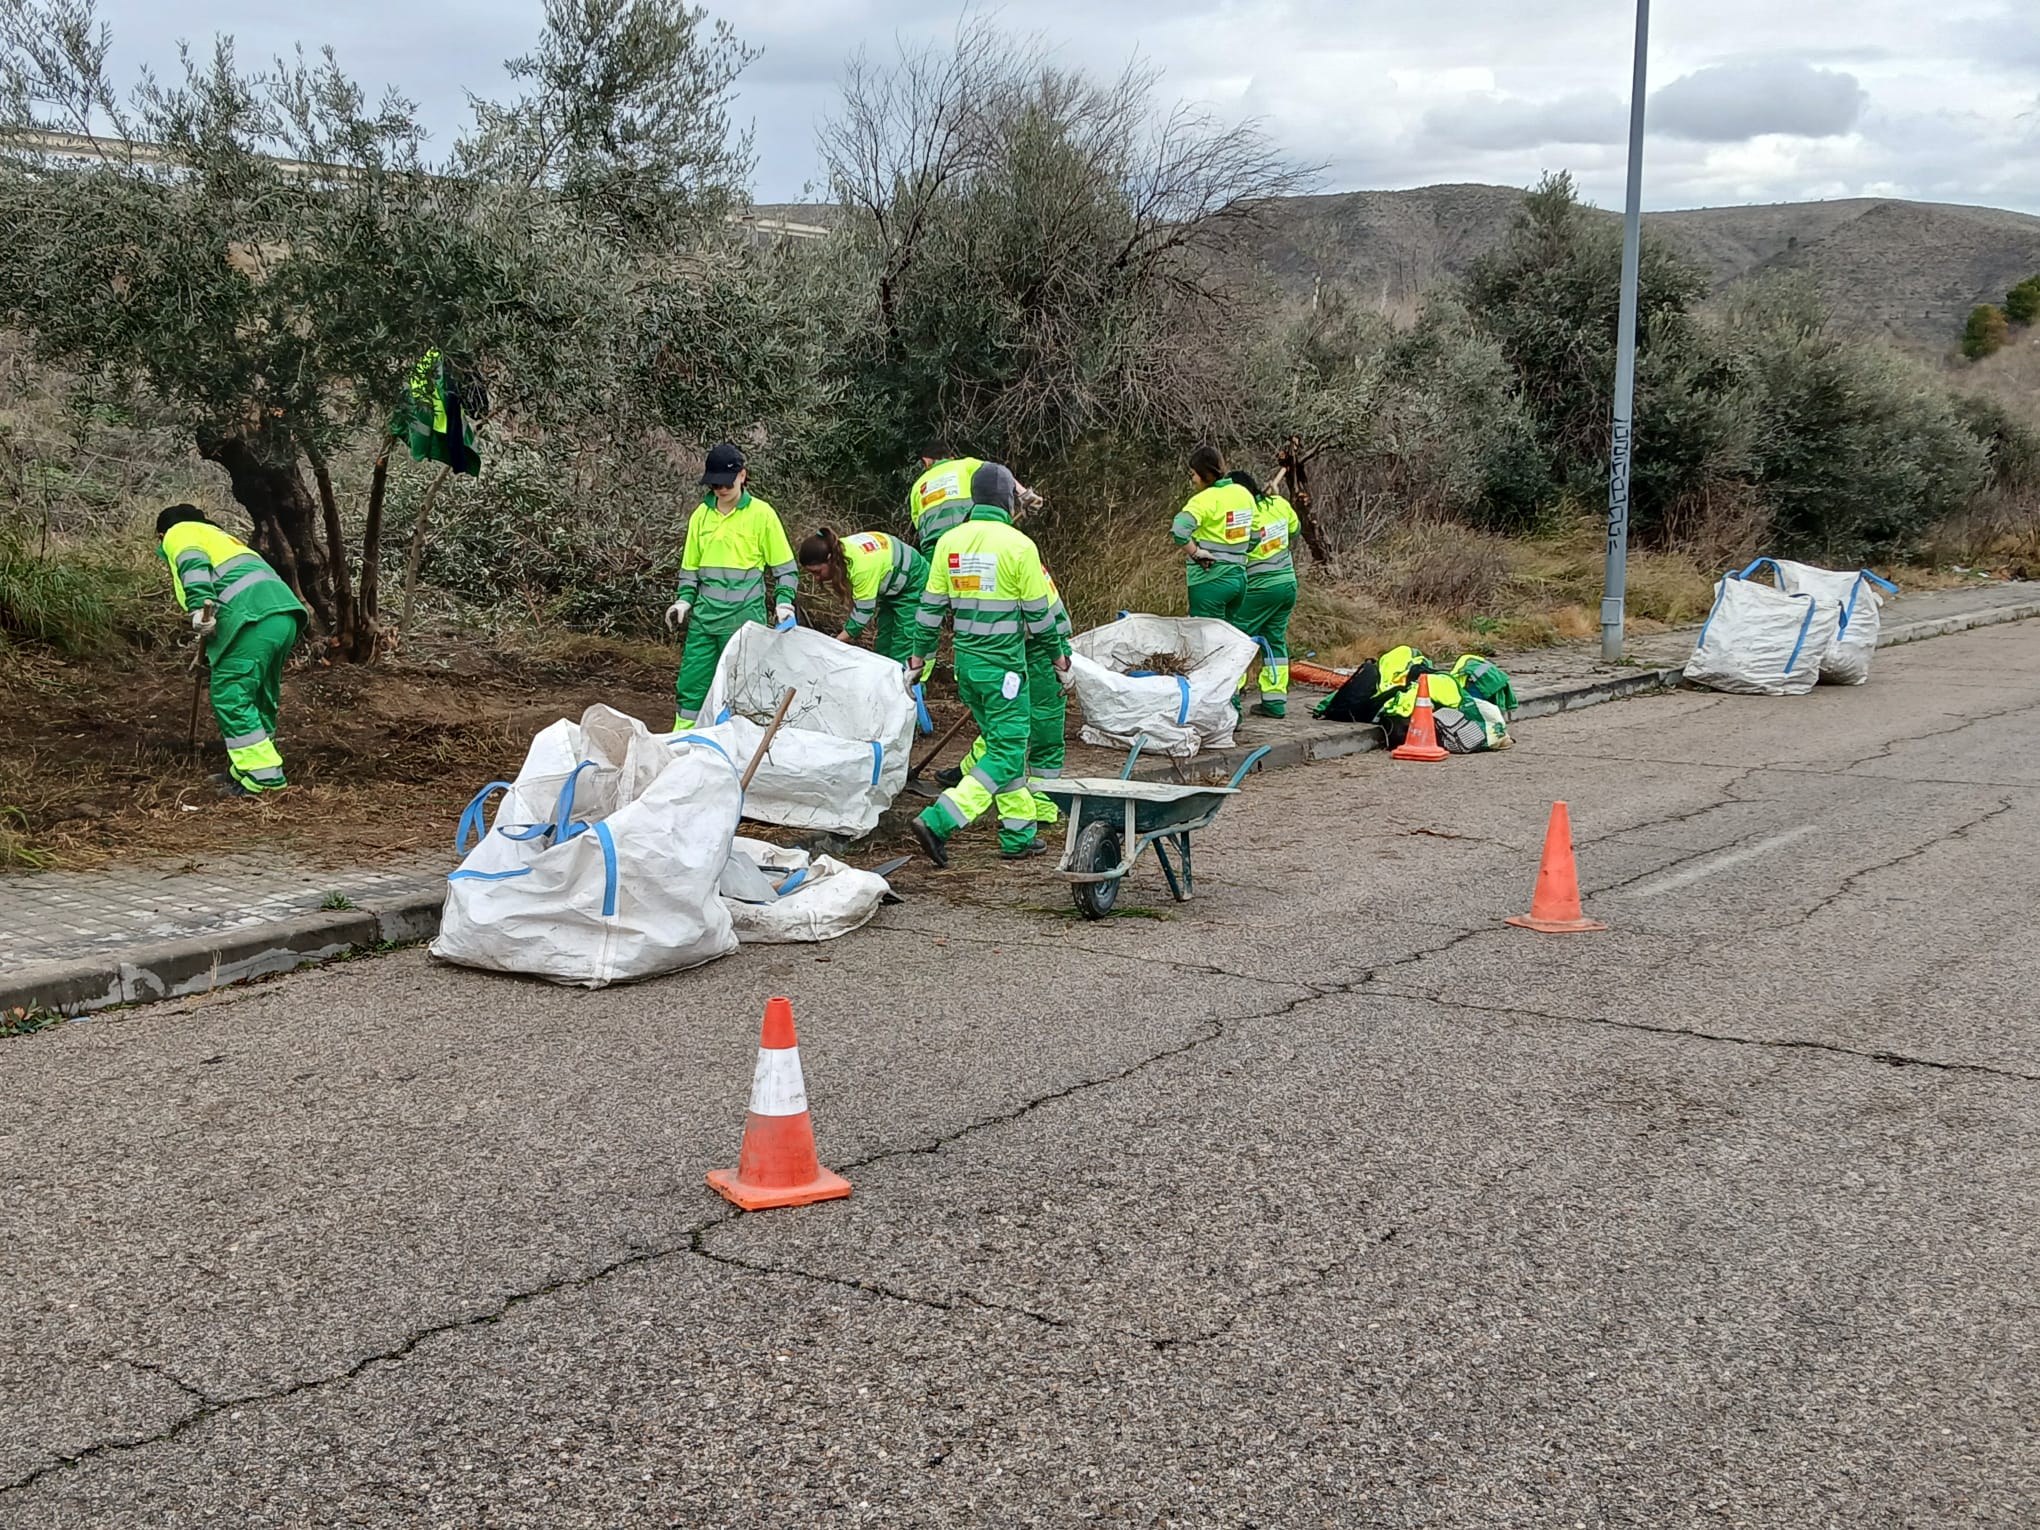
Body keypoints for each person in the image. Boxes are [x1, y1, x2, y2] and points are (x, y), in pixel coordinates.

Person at [905, 463, 1071, 866]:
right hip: (1006, 671)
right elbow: (1041, 618)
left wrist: (918, 659)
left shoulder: (949, 543)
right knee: (1008, 750)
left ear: (974, 498)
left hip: (968, 669)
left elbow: (929, 611)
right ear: (1008, 500)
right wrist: (1059, 660)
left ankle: (1018, 835)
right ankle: (939, 820)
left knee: (1002, 744)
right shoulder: (1018, 546)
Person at [155, 504, 308, 796]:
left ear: (161, 534)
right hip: (282, 615)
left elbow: (192, 563)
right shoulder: (221, 537)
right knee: (259, 695)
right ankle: (246, 769)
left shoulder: (180, 532)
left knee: (232, 694)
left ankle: (264, 779)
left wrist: (199, 606)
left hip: (251, 617)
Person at [665, 442, 798, 731]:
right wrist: (683, 601)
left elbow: (785, 569)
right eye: (714, 484)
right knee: (692, 686)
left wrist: (784, 602)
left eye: (725, 482)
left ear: (742, 476)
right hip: (704, 621)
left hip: (744, 624)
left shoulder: (762, 515)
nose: (720, 489)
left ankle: (738, 750)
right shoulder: (701, 516)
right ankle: (683, 743)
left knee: (742, 690)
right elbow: (690, 570)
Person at [796, 527, 929, 667]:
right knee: (884, 644)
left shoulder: (860, 568)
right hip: (893, 586)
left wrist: (834, 644)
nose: (816, 578)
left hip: (914, 582)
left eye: (817, 572)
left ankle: (906, 686)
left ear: (829, 559)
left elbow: (862, 614)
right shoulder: (838, 550)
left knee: (903, 647)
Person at [1232, 469, 1304, 717]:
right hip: (1286, 586)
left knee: (1237, 642)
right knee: (1274, 642)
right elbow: (1294, 530)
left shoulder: (1243, 515)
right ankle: (1275, 702)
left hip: (1257, 589)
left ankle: (1231, 706)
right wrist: (1276, 501)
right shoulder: (1279, 504)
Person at [1170, 443, 1256, 622]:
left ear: (1203, 474)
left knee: (1207, 641)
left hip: (1210, 581)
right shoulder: (1243, 493)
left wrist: (1195, 553)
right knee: (1227, 638)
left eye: (1193, 474)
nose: (1192, 479)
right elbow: (1255, 537)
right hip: (1238, 581)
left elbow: (1179, 529)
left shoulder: (1203, 500)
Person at [907, 448, 986, 549]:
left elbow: (917, 522)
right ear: (951, 458)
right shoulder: (966, 465)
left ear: (926, 461)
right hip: (967, 538)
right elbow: (995, 473)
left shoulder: (917, 486)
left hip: (935, 546)